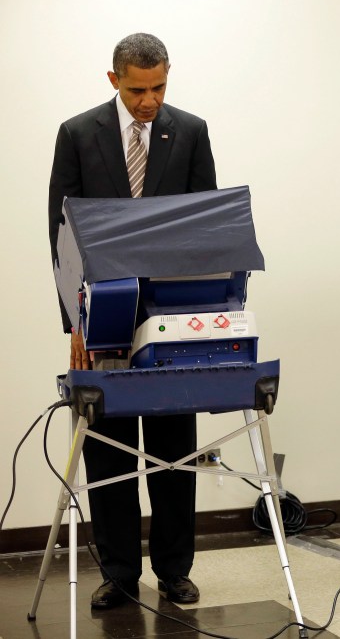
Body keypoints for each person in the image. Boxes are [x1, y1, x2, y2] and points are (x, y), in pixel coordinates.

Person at [48, 33, 217, 608]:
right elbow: (62, 236)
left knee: (173, 447)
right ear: (114, 79)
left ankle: (174, 568)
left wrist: (206, 316)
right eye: (139, 89)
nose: (150, 101)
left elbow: (205, 229)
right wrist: (75, 319)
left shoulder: (190, 131)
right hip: (105, 314)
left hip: (173, 314)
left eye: (160, 87)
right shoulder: (77, 134)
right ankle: (119, 571)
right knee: (111, 449)